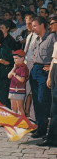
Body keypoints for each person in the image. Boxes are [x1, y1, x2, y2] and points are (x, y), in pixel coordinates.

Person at [30, 16, 57, 138]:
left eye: (35, 25)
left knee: (42, 100)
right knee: (36, 101)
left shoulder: (51, 37)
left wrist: (50, 69)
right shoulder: (36, 39)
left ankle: (44, 128)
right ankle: (39, 127)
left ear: (42, 25)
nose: (33, 28)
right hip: (35, 69)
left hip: (44, 71)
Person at [38, 18, 57, 146]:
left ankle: (53, 138)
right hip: (55, 69)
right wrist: (50, 76)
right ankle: (52, 137)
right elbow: (54, 59)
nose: (50, 26)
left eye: (52, 23)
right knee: (54, 107)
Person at [8, 50, 29, 116]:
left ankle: (22, 121)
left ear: (22, 58)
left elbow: (22, 80)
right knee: (13, 107)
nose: (15, 60)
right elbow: (9, 76)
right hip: (12, 88)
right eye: (14, 59)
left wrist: (15, 75)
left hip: (19, 89)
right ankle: (15, 121)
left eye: (16, 58)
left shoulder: (23, 67)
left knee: (19, 107)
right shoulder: (16, 66)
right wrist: (14, 69)